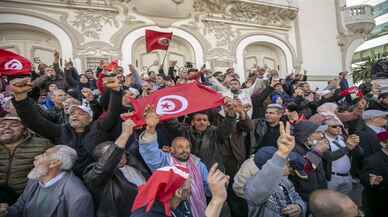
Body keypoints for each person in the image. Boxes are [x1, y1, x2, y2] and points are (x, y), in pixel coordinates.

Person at [10, 76, 123, 177]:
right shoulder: (61, 130)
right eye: (72, 113)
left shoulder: (98, 128)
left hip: (96, 179)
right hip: (65, 178)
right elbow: (35, 122)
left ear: (90, 119)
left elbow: (113, 113)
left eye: (81, 113)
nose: (75, 115)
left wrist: (115, 91)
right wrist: (21, 98)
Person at [139, 106, 209, 217]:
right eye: (180, 147)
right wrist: (151, 129)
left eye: (187, 147)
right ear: (172, 149)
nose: (184, 150)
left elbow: (208, 188)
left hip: (199, 211)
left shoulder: (199, 165)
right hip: (174, 211)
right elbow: (150, 152)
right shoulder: (165, 163)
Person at [3, 145, 94, 217]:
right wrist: (6, 212)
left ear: (54, 163)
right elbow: (19, 207)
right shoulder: (36, 179)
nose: (36, 157)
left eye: (44, 154)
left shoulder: (79, 197)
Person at [83, 119, 146, 217]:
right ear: (101, 161)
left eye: (121, 153)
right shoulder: (96, 177)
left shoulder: (131, 158)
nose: (120, 157)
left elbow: (140, 143)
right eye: (115, 155)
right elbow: (102, 170)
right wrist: (124, 134)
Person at [244, 122, 306, 217]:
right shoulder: (253, 184)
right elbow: (257, 194)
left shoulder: (285, 181)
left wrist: (299, 207)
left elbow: (295, 196)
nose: (290, 168)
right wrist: (281, 155)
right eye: (285, 164)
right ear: (269, 165)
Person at [0, 115, 53, 204]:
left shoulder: (43, 145)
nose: (7, 128)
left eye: (14, 125)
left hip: (29, 199)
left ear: (25, 130)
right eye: (2, 125)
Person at [322, 118, 361, 195]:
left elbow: (360, 154)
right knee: (331, 203)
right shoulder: (322, 140)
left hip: (347, 176)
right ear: (326, 127)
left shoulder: (344, 138)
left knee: (344, 202)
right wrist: (347, 147)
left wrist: (356, 144)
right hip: (332, 178)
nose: (338, 128)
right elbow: (330, 157)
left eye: (340, 126)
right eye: (334, 126)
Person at [360, 130, 388, 217]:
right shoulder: (373, 160)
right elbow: (365, 177)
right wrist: (371, 179)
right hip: (380, 204)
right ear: (383, 144)